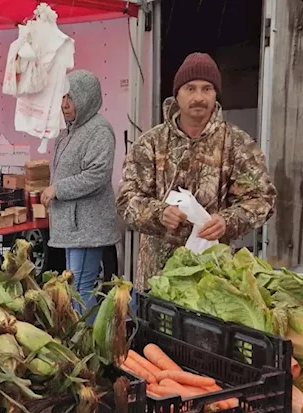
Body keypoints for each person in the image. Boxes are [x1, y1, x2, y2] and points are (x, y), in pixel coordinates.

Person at [117, 52, 277, 292]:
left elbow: (262, 198)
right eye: (190, 88)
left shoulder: (236, 144)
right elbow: (126, 200)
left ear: (216, 95)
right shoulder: (150, 143)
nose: (199, 97)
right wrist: (159, 214)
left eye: (207, 89)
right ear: (177, 94)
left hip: (212, 277)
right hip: (156, 279)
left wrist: (227, 221)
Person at [41, 69, 120, 319]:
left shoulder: (98, 130)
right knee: (74, 286)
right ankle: (81, 342)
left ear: (86, 98)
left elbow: (96, 175)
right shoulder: (70, 131)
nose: (64, 104)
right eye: (62, 97)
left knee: (81, 288)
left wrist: (58, 190)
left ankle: (88, 347)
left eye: (70, 98)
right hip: (72, 227)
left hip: (87, 227)